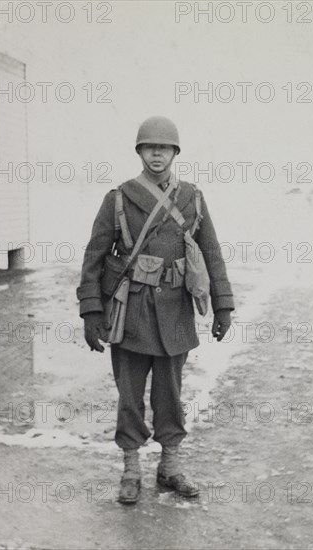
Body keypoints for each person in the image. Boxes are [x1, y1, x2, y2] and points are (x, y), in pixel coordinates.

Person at [77, 116, 234, 504]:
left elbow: (211, 252)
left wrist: (223, 304)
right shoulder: (118, 198)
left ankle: (170, 466)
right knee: (130, 397)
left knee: (171, 395)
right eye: (150, 147)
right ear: (140, 152)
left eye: (164, 148)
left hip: (176, 313)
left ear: (175, 153)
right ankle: (131, 469)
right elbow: (93, 257)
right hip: (130, 312)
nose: (157, 154)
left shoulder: (192, 198)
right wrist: (91, 312)